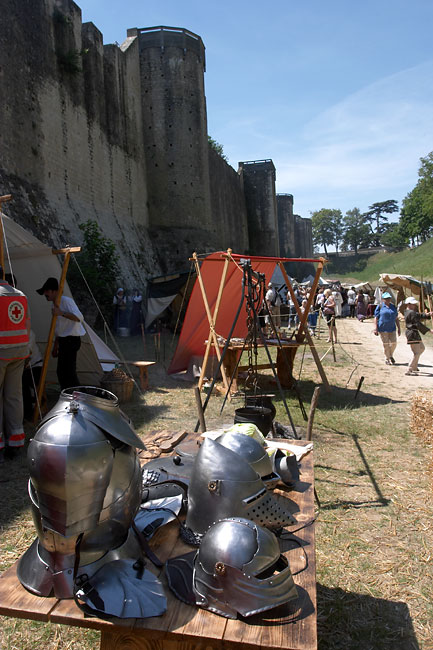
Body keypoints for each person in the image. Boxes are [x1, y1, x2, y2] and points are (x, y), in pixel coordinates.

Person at [0, 269, 30, 461]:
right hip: (20, 351)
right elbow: (26, 323)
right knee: (14, 396)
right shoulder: (21, 295)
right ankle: (16, 441)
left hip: (1, 350)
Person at [37, 277, 85, 390]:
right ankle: (68, 395)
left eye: (47, 291)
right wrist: (56, 345)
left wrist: (61, 313)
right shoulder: (54, 305)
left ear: (54, 291)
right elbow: (59, 327)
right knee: (62, 372)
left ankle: (80, 396)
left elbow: (79, 318)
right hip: (64, 340)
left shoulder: (66, 301)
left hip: (72, 340)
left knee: (69, 373)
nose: (45, 294)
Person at [403, 297, 433, 376]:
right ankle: (409, 369)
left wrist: (427, 315)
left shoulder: (408, 311)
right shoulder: (411, 312)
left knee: (422, 348)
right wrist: (429, 330)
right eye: (413, 304)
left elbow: (418, 315)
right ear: (409, 304)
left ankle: (414, 366)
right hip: (412, 333)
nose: (414, 305)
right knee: (416, 353)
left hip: (413, 333)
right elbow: (418, 324)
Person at [373, 291, 400, 365]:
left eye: (389, 298)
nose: (388, 300)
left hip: (392, 328)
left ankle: (390, 355)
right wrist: (376, 328)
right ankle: (387, 358)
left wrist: (399, 328)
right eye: (386, 298)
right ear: (383, 299)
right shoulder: (380, 306)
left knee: (394, 343)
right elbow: (376, 318)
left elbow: (396, 318)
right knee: (386, 344)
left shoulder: (393, 307)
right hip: (383, 328)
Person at [22, 329, 43, 420]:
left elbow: (27, 355)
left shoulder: (29, 333)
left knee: (21, 383)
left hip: (34, 366)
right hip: (23, 367)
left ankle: (27, 412)